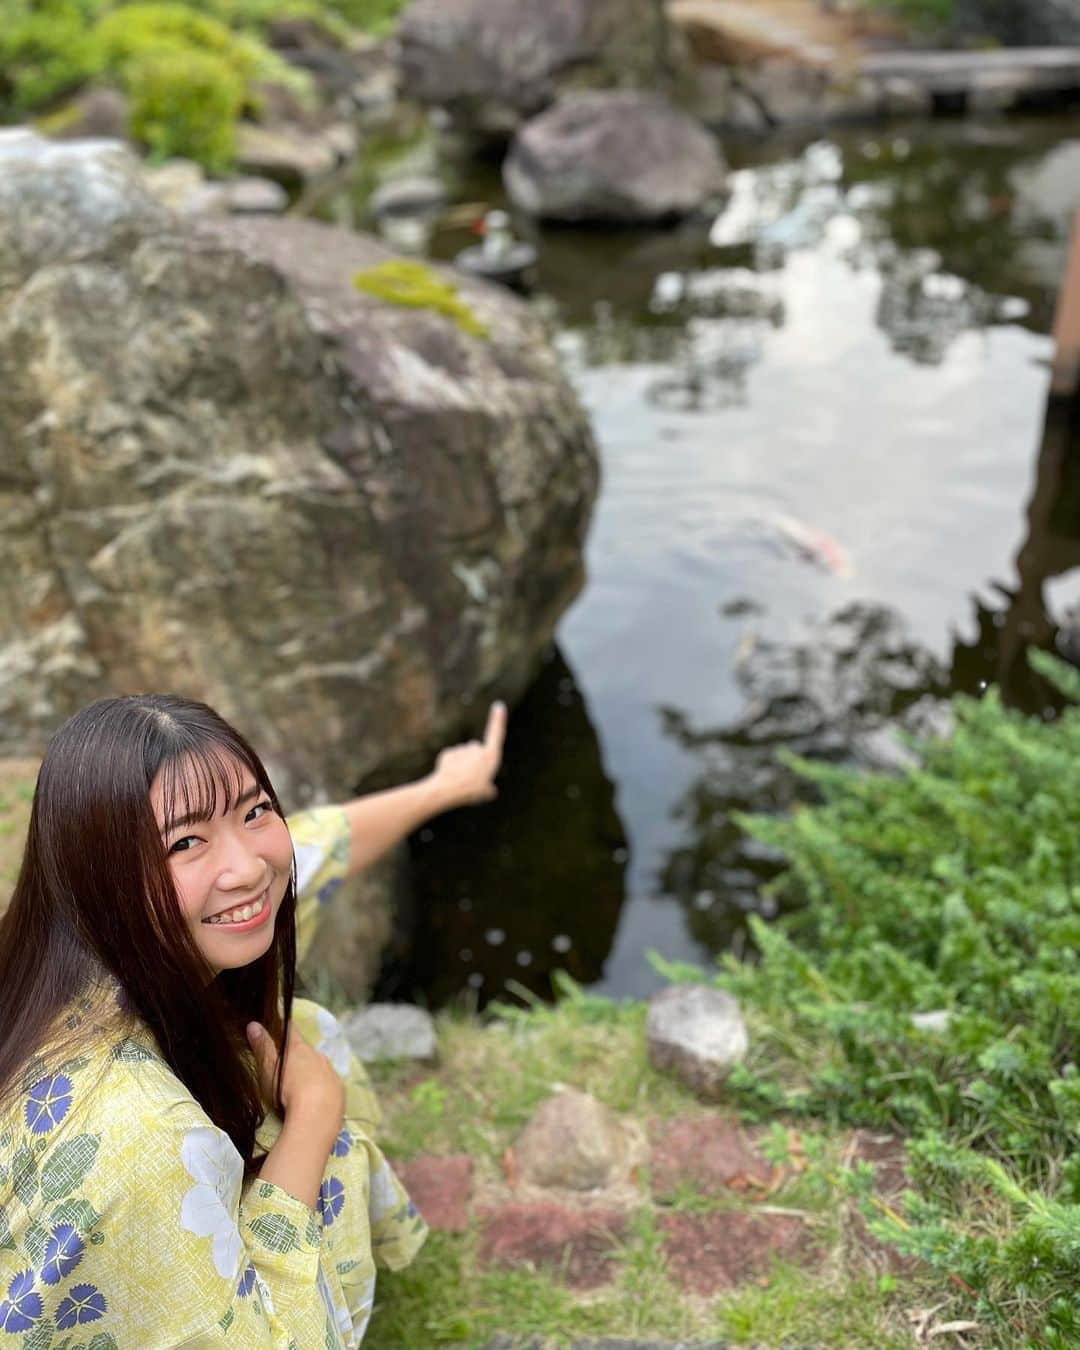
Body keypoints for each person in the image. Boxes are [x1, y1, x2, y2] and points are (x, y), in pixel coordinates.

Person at [0, 692, 507, 1346]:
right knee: (321, 1115)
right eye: (185, 841)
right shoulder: (144, 1133)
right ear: (102, 872)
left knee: (292, 1029)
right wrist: (317, 1118)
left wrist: (443, 787)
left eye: (255, 810)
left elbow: (317, 849)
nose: (246, 867)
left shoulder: (49, 952)